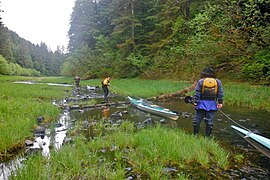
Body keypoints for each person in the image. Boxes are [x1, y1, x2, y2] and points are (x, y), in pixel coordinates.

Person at [193, 67, 224, 136]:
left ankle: (195, 135)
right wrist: (220, 102)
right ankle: (208, 136)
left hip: (201, 103)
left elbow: (197, 92)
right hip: (212, 103)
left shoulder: (201, 81)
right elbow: (220, 93)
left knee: (197, 120)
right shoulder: (218, 82)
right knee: (209, 121)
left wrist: (196, 102)